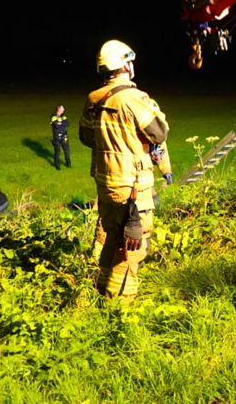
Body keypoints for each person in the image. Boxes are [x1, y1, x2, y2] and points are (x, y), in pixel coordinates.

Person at [79, 40, 168, 300]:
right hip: (133, 187)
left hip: (106, 183)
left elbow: (87, 137)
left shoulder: (94, 98)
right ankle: (121, 305)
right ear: (125, 65)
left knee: (111, 237)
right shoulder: (134, 98)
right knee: (133, 246)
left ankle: (99, 289)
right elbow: (159, 132)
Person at [50, 104, 72, 170]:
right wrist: (62, 123)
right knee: (57, 152)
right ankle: (57, 165)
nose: (64, 110)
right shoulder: (53, 116)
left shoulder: (63, 116)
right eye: (63, 108)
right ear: (59, 109)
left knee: (67, 151)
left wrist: (60, 123)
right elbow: (56, 126)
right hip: (57, 137)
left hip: (64, 137)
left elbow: (68, 123)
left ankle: (68, 164)